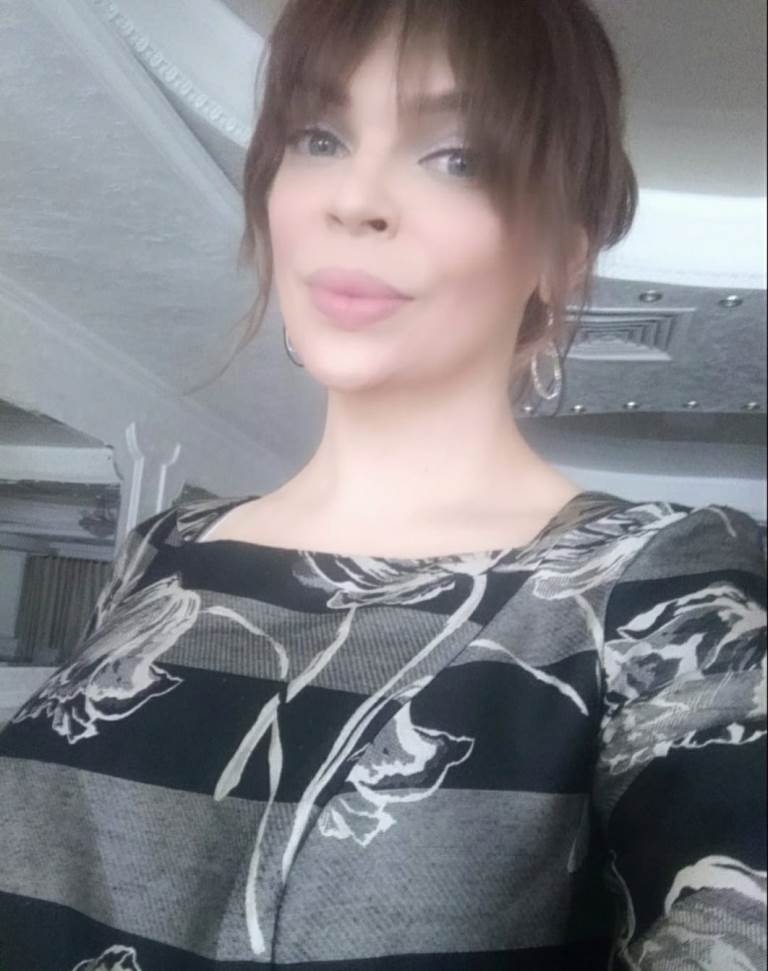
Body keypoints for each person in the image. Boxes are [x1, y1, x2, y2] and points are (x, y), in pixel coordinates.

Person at [1, 1, 765, 968]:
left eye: (457, 156)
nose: (354, 199)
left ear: (561, 255)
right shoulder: (165, 553)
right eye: (319, 138)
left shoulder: (662, 581)